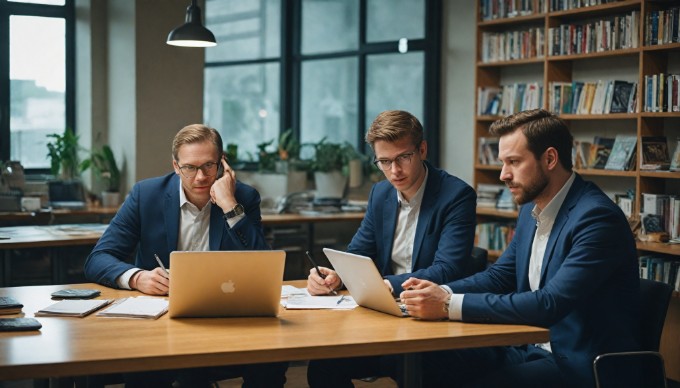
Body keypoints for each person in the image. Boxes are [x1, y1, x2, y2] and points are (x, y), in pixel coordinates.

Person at [400, 109, 640, 388]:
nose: (503, 175)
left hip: (579, 366)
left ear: (549, 158)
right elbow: (500, 275)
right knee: (426, 360)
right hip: (527, 348)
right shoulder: (531, 208)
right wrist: (441, 291)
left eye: (513, 162)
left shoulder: (596, 218)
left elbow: (549, 303)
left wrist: (445, 304)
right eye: (503, 162)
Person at [84, 124, 287, 387]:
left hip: (227, 316)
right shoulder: (146, 195)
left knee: (271, 362)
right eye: (189, 167)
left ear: (222, 164)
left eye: (208, 166)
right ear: (175, 166)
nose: (200, 177)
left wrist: (229, 205)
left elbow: (264, 264)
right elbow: (98, 258)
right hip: (159, 320)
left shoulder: (243, 197)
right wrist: (136, 278)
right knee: (145, 373)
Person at [306, 110, 477, 387]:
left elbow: (449, 268)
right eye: (384, 161)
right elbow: (359, 252)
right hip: (384, 316)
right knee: (323, 366)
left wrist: (387, 284)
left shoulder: (456, 196)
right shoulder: (381, 193)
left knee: (420, 371)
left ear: (422, 149)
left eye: (403, 158)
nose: (394, 171)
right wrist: (336, 275)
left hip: (430, 317)